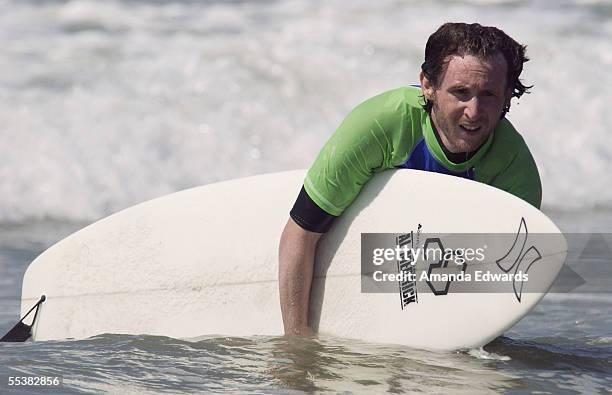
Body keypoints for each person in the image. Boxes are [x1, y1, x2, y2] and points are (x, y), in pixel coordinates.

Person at [278, 22, 541, 336]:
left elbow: (503, 282)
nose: (474, 111)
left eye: (488, 95)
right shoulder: (381, 125)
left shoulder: (514, 170)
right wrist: (297, 340)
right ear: (428, 85)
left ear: (506, 96)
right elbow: (301, 233)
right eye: (461, 92)